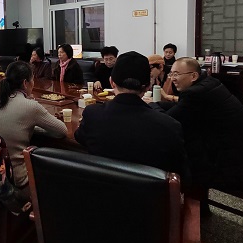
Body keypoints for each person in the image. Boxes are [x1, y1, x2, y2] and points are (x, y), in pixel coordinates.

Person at [74, 52, 189, 183]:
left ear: (112, 82)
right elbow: (182, 175)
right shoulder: (169, 126)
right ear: (148, 86)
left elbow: (80, 137)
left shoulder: (92, 114)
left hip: (100, 192)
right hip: (148, 195)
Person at [163, 57, 243, 193]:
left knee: (183, 151)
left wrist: (151, 109)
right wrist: (156, 105)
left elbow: (169, 119)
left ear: (193, 76)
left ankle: (191, 200)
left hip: (234, 165)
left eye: (176, 74)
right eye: (171, 73)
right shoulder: (209, 82)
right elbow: (181, 108)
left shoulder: (194, 93)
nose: (172, 78)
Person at [0, 61, 67, 200]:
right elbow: (62, 131)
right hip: (16, 178)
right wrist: (34, 126)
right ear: (25, 83)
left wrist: (31, 126)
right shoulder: (30, 106)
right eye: (32, 79)